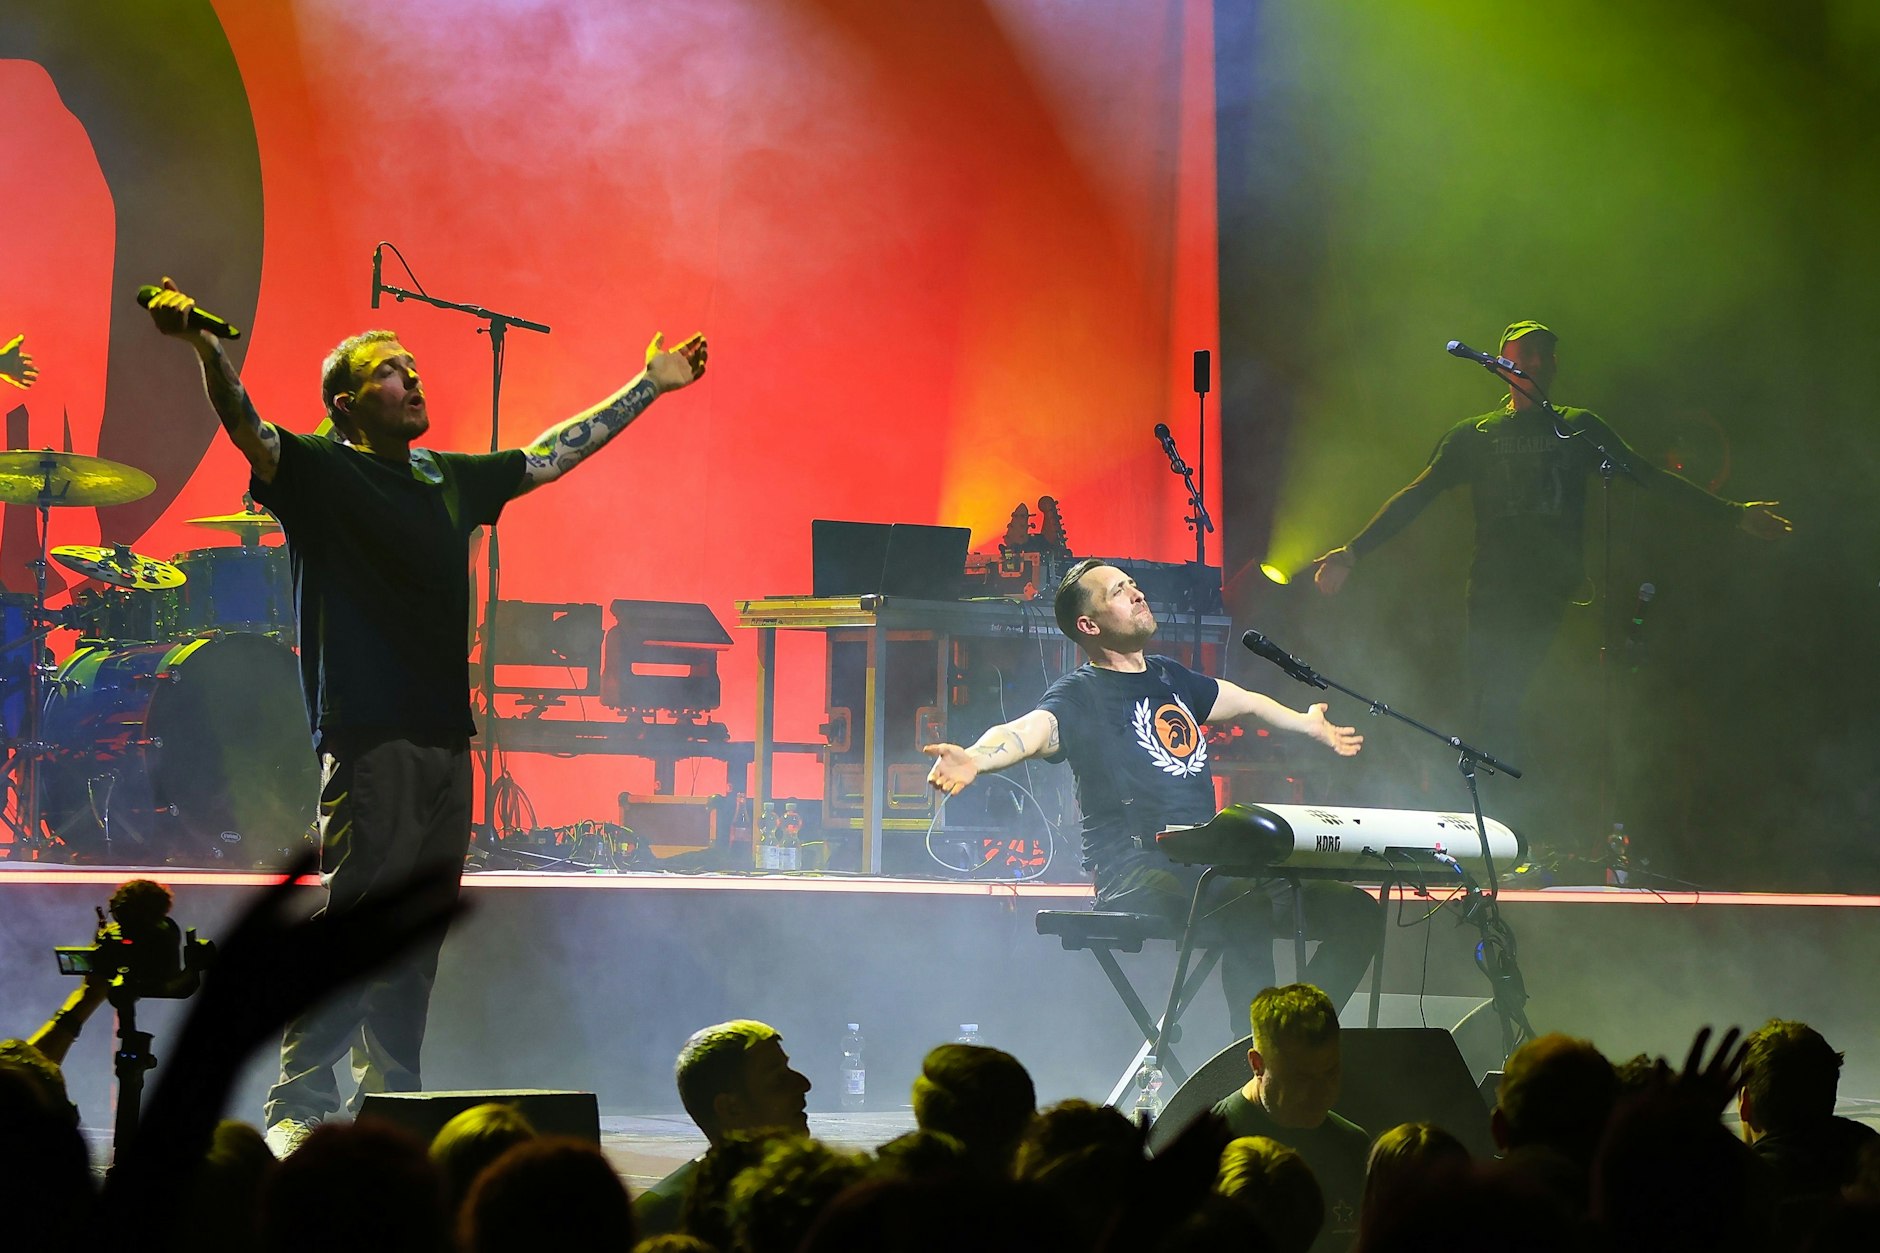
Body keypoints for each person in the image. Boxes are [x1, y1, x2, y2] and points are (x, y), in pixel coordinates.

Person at [144, 277, 707, 1156]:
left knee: (417, 926)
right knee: (356, 917)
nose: (412, 377)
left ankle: (393, 1097)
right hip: (369, 734)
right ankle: (301, 1094)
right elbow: (246, 424)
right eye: (388, 372)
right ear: (346, 402)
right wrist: (205, 349)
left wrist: (649, 383)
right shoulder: (322, 471)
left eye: (411, 365)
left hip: (448, 738)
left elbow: (552, 453)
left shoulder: (449, 481)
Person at [924, 558, 1380, 1029]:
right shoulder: (1083, 694)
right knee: (1247, 900)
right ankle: (1259, 1050)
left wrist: (1306, 724)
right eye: (1119, 591)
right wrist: (975, 758)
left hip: (1210, 868)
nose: (1137, 593)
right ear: (1089, 624)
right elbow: (1030, 730)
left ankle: (1303, 1032)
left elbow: (1245, 701)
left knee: (1357, 913)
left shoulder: (1169, 677)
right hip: (1136, 870)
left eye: (1133, 584)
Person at [1312, 321, 1789, 758]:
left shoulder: (1579, 426)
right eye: (1527, 352)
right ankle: (1489, 820)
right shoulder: (1476, 434)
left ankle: (1522, 819)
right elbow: (1418, 495)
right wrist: (1354, 551)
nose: (1537, 362)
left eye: (1546, 354)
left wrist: (1732, 514)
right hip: (1493, 588)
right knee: (1488, 701)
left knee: (1522, 701)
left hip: (1552, 588)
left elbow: (1645, 475)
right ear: (1502, 360)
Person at [1212, 984, 1369, 1252]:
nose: (1322, 1093)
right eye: (1301, 1079)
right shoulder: (1212, 1149)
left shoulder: (1354, 1147)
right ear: (1257, 1064)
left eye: (1331, 1073)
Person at [634, 1019, 813, 1238]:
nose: (803, 1084)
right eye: (778, 1079)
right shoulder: (665, 1217)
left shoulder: (807, 1190)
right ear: (731, 1108)